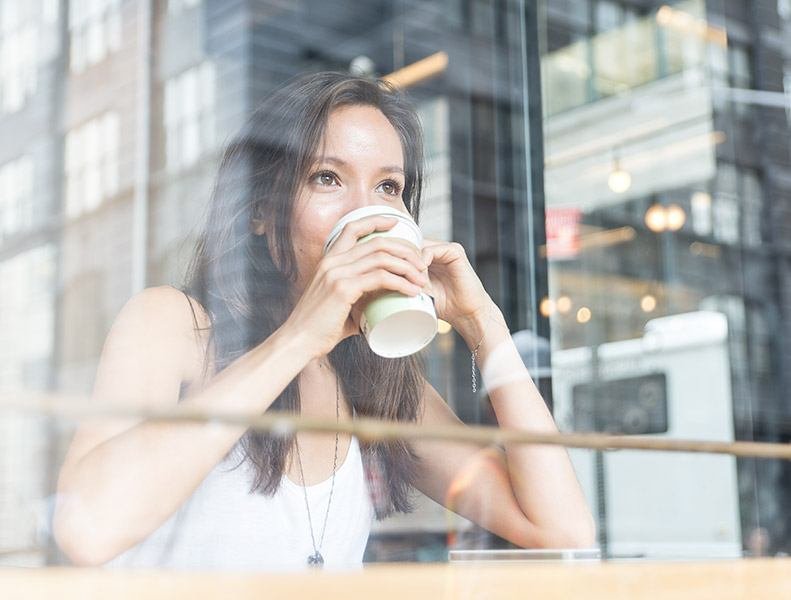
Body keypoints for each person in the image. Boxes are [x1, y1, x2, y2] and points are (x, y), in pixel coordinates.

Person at [52, 72, 595, 571]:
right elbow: (87, 530)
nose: (367, 214)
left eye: (388, 187)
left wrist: (484, 325)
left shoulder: (379, 381)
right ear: (262, 212)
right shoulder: (174, 323)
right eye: (327, 178)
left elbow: (560, 529)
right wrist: (300, 337)